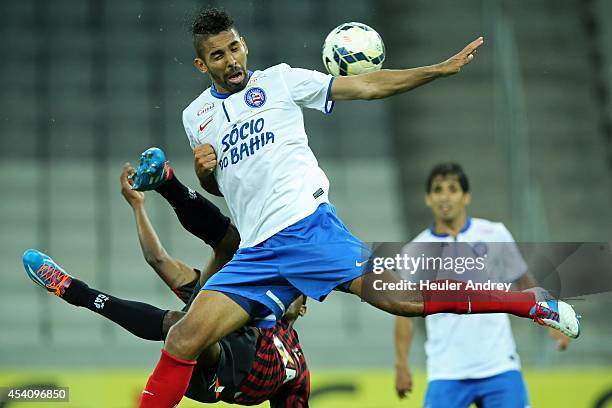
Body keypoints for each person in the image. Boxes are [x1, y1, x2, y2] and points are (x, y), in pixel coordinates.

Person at [130, 8, 580, 407]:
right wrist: (205, 172)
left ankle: (528, 304)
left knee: (406, 302)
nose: (231, 61)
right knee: (183, 336)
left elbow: (364, 85)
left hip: (308, 231)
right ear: (200, 64)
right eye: (218, 56)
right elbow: (222, 186)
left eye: (234, 48)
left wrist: (436, 71)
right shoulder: (196, 117)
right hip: (257, 253)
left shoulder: (280, 81)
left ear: (243, 44)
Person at [22, 163, 310, 407]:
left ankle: (77, 293)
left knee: (188, 324)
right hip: (204, 343)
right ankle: (166, 182)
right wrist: (137, 207)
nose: (285, 289)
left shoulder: (297, 363)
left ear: (304, 307)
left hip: (221, 380)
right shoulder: (236, 300)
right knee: (225, 252)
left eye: (293, 289)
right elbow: (158, 260)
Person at [393, 163, 571, 407]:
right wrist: (401, 364)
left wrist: (552, 319)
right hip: (446, 371)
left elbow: (523, 280)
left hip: (499, 365)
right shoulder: (415, 250)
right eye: (437, 189)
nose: (444, 196)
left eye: (452, 189)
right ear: (427, 198)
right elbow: (403, 312)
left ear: (466, 196)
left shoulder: (494, 234)